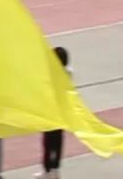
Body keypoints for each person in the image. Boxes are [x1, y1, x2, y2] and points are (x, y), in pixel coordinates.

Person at [43, 45, 71, 178]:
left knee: (48, 143)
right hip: (62, 112)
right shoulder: (68, 72)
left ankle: (48, 170)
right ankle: (55, 170)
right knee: (58, 142)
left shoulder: (52, 75)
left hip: (50, 112)